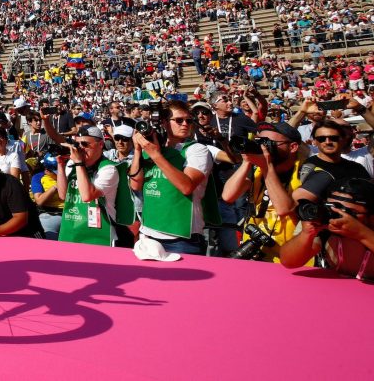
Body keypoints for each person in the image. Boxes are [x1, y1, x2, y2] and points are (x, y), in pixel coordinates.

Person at [130, 100, 216, 255]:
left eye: (189, 121)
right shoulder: (154, 148)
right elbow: (135, 185)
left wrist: (155, 155)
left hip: (181, 239)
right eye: (179, 120)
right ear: (164, 123)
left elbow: (186, 187)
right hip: (149, 233)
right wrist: (137, 150)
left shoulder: (197, 150)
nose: (185, 124)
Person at [221, 122, 303, 263]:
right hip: (253, 250)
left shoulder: (306, 172)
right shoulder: (256, 169)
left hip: (288, 255)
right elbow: (228, 196)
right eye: (259, 142)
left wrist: (266, 166)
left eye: (268, 143)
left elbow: (284, 209)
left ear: (293, 147)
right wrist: (247, 162)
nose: (263, 147)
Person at [280, 177, 374, 280]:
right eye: (331, 208)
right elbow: (288, 262)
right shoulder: (321, 220)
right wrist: (307, 233)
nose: (336, 216)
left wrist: (361, 234)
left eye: (347, 212)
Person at [54, 125, 125, 246]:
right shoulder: (72, 163)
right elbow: (63, 195)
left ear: (100, 144)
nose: (80, 148)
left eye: (85, 144)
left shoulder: (108, 168)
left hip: (98, 235)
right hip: (71, 229)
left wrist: (79, 163)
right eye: (77, 144)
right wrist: (60, 165)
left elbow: (87, 196)